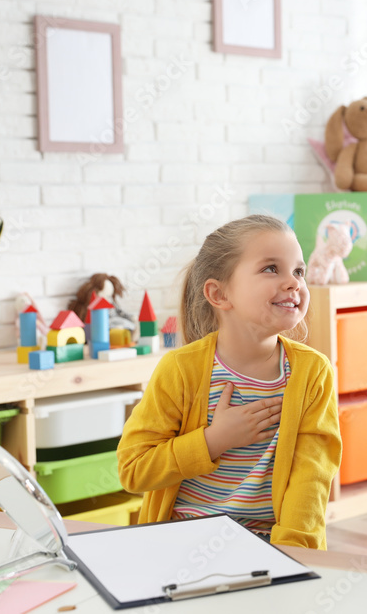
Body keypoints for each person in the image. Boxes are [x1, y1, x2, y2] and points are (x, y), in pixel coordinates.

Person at [118, 215, 342, 549]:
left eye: (298, 271)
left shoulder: (312, 373)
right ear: (219, 294)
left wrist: (292, 556)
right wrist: (212, 440)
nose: (294, 283)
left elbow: (311, 478)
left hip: (271, 546)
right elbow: (134, 470)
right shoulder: (180, 369)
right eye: (271, 269)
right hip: (179, 543)